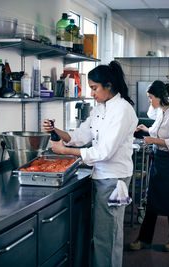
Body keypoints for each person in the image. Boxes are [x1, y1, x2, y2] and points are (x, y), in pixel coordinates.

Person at [42, 61, 138, 267]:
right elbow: (79, 136)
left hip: (113, 180)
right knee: (101, 235)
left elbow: (104, 152)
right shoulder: (100, 109)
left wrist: (65, 151)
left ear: (108, 85)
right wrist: (55, 130)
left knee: (108, 238)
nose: (91, 93)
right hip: (101, 177)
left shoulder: (122, 110)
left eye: (94, 88)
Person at [129, 80, 169, 252]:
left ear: (159, 97)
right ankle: (144, 239)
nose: (149, 100)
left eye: (150, 97)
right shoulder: (162, 111)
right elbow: (159, 130)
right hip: (160, 162)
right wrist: (147, 129)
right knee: (152, 199)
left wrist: (153, 140)